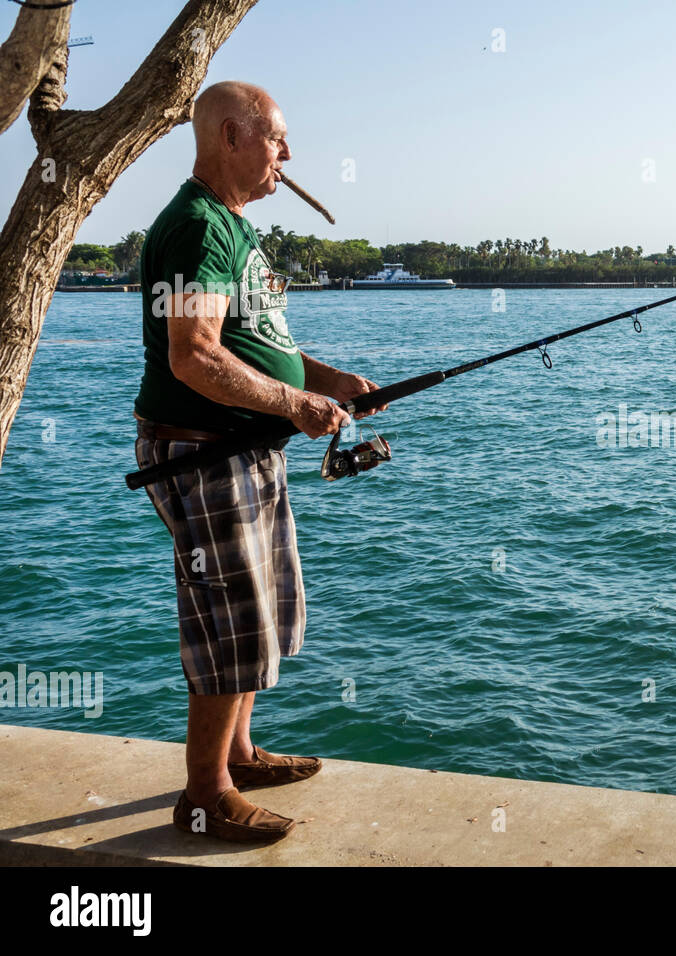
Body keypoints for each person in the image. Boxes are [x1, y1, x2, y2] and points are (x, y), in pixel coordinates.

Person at [133, 80, 385, 842]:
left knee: (262, 616)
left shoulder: (231, 228)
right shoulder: (199, 230)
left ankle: (238, 755)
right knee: (228, 625)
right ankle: (204, 794)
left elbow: (254, 343)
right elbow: (192, 355)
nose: (288, 154)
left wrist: (327, 382)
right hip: (205, 455)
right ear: (232, 137)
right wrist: (294, 406)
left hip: (245, 451)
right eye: (277, 139)